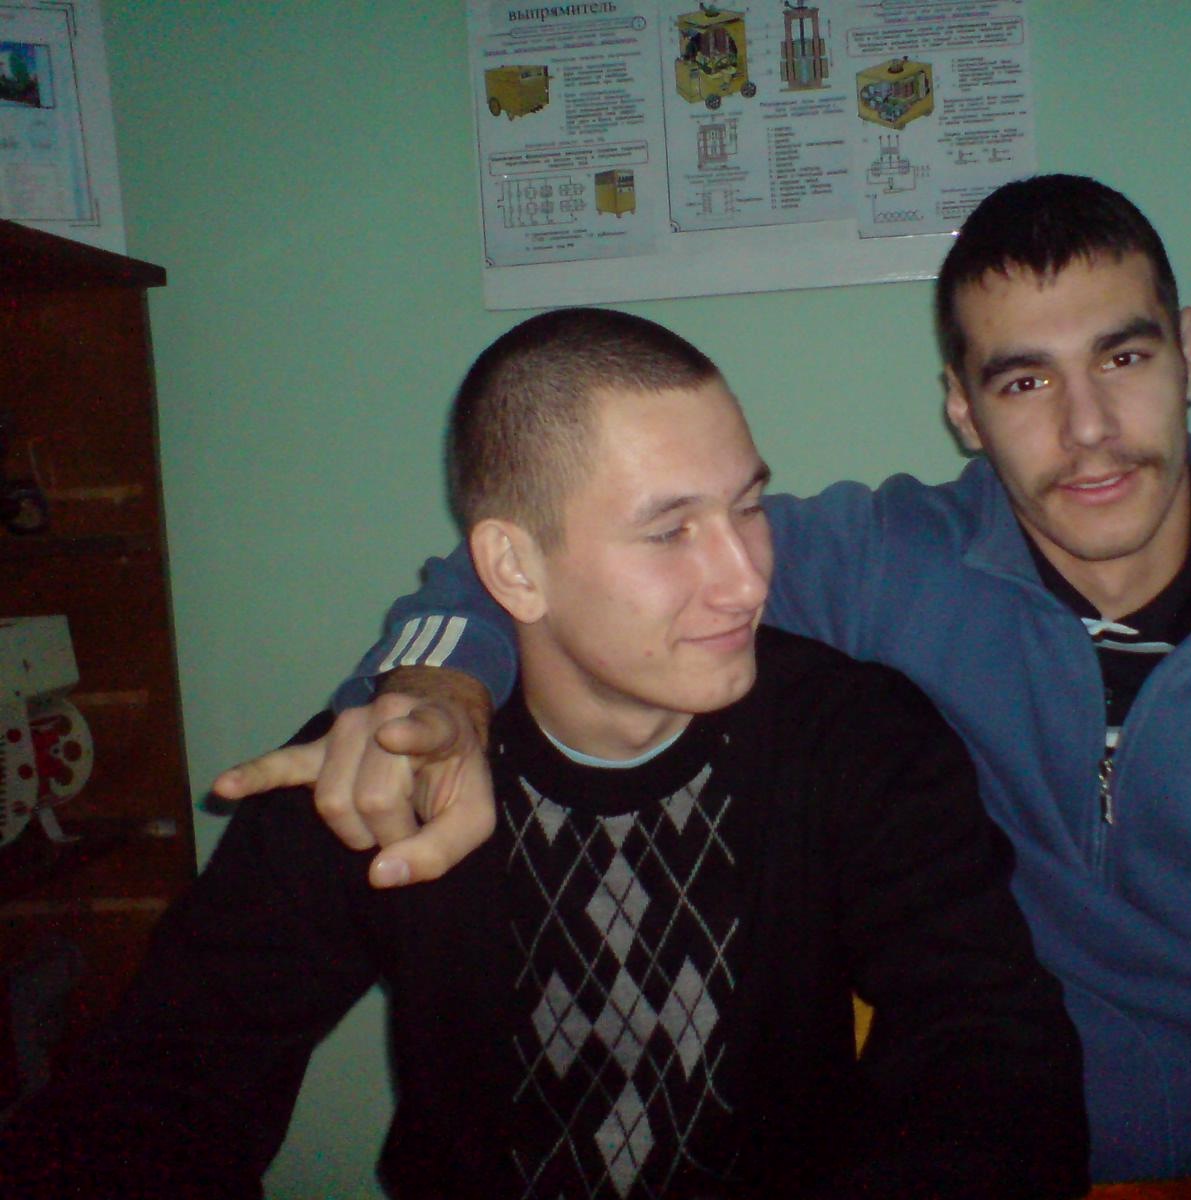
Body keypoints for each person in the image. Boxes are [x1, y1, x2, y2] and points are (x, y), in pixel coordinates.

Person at [218, 175, 1191, 1182]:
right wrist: (440, 692)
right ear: (960, 409)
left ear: (1188, 354)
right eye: (1022, 383)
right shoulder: (887, 563)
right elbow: (535, 566)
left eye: (1123, 357)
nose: (1088, 429)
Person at [1, 309, 1087, 1199]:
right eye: (670, 530)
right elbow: (159, 1089)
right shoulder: (394, 769)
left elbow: (991, 1053)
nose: (747, 578)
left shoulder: (856, 738)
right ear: (513, 571)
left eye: (748, 506)